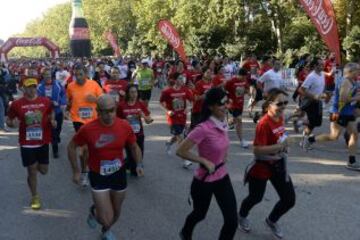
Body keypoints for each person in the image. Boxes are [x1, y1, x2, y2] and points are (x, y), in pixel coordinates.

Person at [68, 94, 144, 240]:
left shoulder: (124, 126)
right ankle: (98, 215)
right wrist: (76, 171)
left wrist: (139, 164)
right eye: (104, 111)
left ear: (115, 109)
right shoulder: (88, 129)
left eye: (111, 110)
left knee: (116, 213)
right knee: (106, 218)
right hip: (98, 175)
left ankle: (105, 229)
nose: (109, 114)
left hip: (118, 173)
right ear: (98, 111)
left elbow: (134, 147)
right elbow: (71, 147)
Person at [176, 87, 238, 240]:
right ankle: (185, 232)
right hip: (204, 180)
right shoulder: (203, 128)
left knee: (232, 220)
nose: (226, 106)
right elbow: (181, 151)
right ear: (211, 106)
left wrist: (224, 155)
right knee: (199, 214)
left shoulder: (222, 121)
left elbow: (222, 144)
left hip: (222, 176)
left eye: (226, 102)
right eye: (222, 103)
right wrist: (203, 160)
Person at [238, 88, 296, 239]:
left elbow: (280, 136)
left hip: (278, 164)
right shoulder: (263, 124)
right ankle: (242, 216)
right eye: (279, 103)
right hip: (262, 166)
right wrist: (280, 146)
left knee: (289, 199)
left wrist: (285, 142)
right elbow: (257, 150)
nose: (283, 106)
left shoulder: (280, 117)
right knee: (255, 197)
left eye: (285, 102)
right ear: (269, 104)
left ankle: (271, 220)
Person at [6, 78, 56, 210]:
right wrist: (12, 124)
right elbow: (8, 120)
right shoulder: (17, 104)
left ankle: (35, 167)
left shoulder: (45, 102)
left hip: (43, 141)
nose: (31, 89)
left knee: (43, 170)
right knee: (32, 170)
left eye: (34, 87)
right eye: (28, 87)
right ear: (23, 88)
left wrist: (53, 121)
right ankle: (35, 196)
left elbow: (52, 113)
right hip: (27, 143)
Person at [307, 63, 360, 170]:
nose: (359, 72)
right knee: (334, 136)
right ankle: (310, 140)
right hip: (338, 113)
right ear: (350, 71)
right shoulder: (345, 82)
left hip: (348, 112)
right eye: (357, 70)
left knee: (354, 134)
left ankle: (351, 161)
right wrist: (357, 98)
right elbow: (343, 99)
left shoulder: (352, 81)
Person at [66, 64, 103, 186]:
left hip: (93, 120)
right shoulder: (71, 86)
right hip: (78, 120)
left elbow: (103, 100)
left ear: (86, 74)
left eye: (81, 74)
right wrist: (66, 111)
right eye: (76, 75)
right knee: (85, 148)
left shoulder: (94, 85)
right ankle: (84, 172)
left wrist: (95, 100)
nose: (78, 77)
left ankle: (89, 168)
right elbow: (69, 101)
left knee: (90, 148)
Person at [117, 84, 153, 176]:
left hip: (139, 133)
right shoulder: (121, 105)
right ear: (128, 94)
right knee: (132, 157)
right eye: (132, 92)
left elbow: (149, 120)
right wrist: (126, 120)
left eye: (136, 92)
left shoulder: (140, 104)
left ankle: (125, 165)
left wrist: (143, 116)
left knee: (140, 154)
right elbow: (116, 120)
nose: (134, 94)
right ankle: (127, 166)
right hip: (127, 135)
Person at [160, 72, 193, 168]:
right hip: (172, 118)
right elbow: (161, 102)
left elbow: (192, 101)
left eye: (182, 78)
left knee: (177, 135)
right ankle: (185, 160)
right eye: (179, 78)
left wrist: (189, 108)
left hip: (182, 117)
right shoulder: (167, 92)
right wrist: (167, 111)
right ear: (174, 80)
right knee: (180, 137)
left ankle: (169, 142)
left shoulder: (185, 90)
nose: (181, 80)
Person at [37, 67, 67, 158]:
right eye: (45, 75)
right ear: (43, 76)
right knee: (52, 131)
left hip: (58, 111)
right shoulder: (39, 87)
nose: (47, 77)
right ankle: (55, 150)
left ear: (51, 75)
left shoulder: (57, 84)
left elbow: (63, 94)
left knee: (58, 128)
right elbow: (38, 99)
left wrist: (61, 103)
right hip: (47, 113)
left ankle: (57, 137)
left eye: (49, 75)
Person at [298, 57, 326, 150]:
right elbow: (301, 90)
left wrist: (324, 95)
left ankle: (301, 123)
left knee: (316, 123)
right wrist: (313, 96)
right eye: (320, 64)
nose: (323, 66)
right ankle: (304, 142)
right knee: (311, 123)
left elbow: (321, 87)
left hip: (318, 102)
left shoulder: (322, 74)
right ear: (315, 66)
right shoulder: (311, 76)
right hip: (310, 102)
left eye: (323, 64)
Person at [225, 68, 249, 148]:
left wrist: (247, 92)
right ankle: (242, 140)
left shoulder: (244, 81)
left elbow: (246, 89)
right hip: (233, 104)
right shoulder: (231, 81)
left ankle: (228, 123)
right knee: (239, 120)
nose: (245, 79)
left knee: (236, 120)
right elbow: (223, 90)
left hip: (240, 104)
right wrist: (227, 100)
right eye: (244, 77)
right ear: (240, 75)